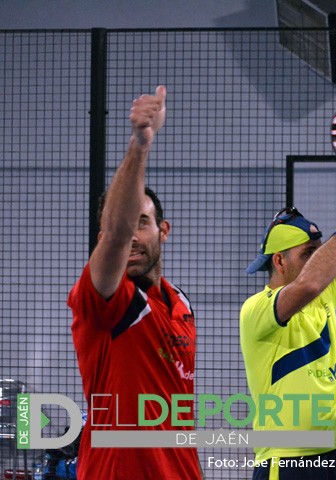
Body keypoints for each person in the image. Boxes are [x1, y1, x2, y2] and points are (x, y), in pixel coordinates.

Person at [68, 86, 202, 479]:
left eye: (142, 224)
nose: (130, 237)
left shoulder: (181, 304)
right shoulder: (108, 300)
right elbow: (116, 232)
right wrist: (141, 144)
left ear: (164, 230)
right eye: (125, 226)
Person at [240, 176, 336, 480]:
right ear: (280, 261)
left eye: (319, 250)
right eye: (309, 253)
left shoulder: (326, 291)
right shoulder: (256, 309)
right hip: (288, 463)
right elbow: (308, 283)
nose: (322, 258)